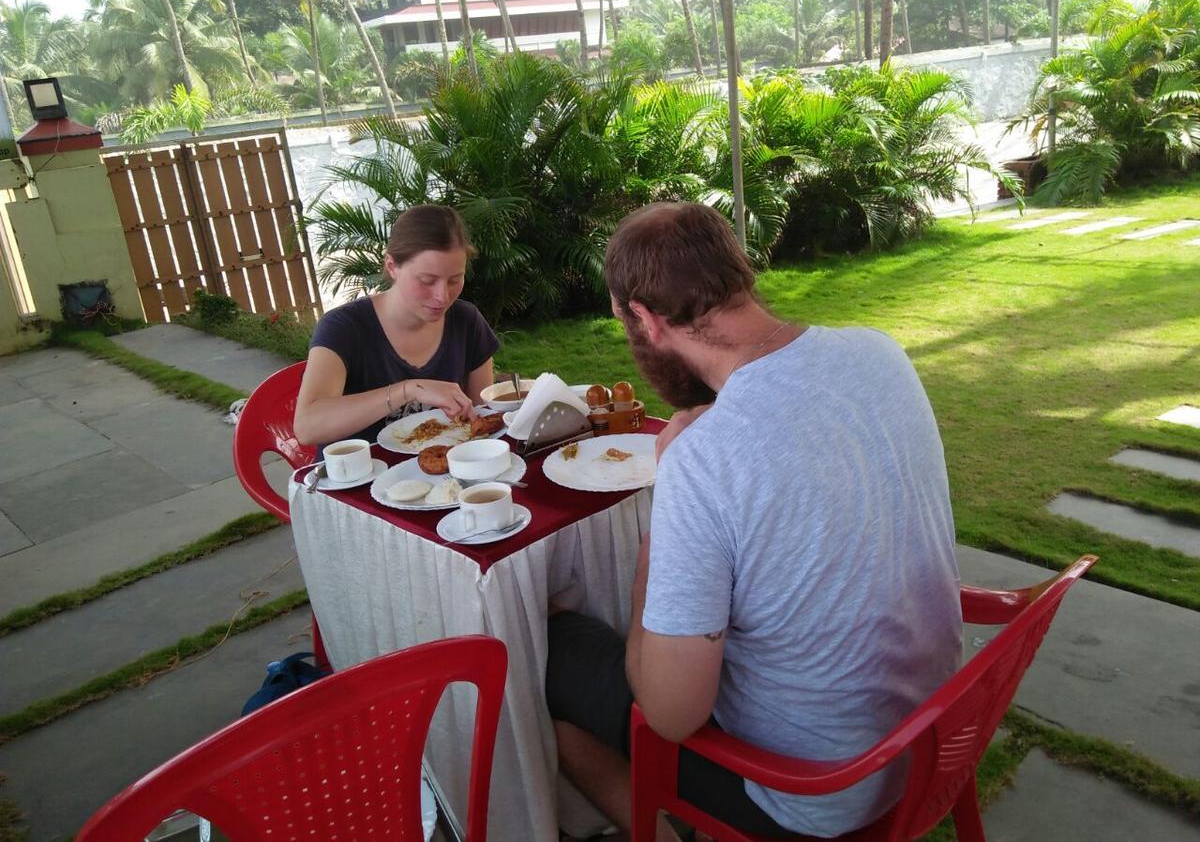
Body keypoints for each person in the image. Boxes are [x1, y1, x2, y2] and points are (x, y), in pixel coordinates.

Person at [546, 202, 962, 840]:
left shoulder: (705, 458)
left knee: (550, 657)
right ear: (740, 274)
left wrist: (657, 543)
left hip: (813, 797)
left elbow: (671, 713)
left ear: (644, 318)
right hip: (930, 740)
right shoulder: (880, 352)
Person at [294, 204, 499, 448]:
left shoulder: (466, 321)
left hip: (446, 479)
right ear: (392, 266)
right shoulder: (343, 327)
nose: (442, 296)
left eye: (455, 280)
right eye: (427, 280)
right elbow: (307, 427)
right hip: (358, 478)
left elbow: (483, 420)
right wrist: (408, 390)